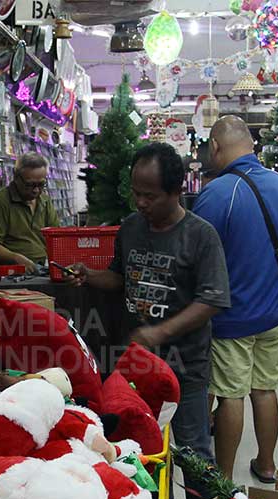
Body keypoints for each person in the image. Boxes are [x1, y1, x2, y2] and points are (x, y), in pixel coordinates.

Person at [67, 142, 230, 467]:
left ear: (176, 191)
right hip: (137, 367)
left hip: (184, 366)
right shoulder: (131, 227)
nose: (141, 202)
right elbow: (120, 277)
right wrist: (90, 275)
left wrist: (159, 332)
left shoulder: (200, 235)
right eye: (136, 193)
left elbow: (213, 299)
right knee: (137, 448)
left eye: (150, 196)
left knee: (194, 454)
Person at [192, 116, 278, 483]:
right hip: (275, 311)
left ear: (215, 146)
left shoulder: (218, 193)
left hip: (233, 316)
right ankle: (267, 464)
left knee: (230, 395)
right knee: (265, 389)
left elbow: (197, 257)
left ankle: (224, 478)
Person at [0, 152, 59, 274]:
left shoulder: (45, 201)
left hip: (44, 268)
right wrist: (15, 258)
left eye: (41, 184)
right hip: (14, 272)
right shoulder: (0, 203)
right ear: (16, 177)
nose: (36, 190)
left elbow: (56, 236)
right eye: (29, 185)